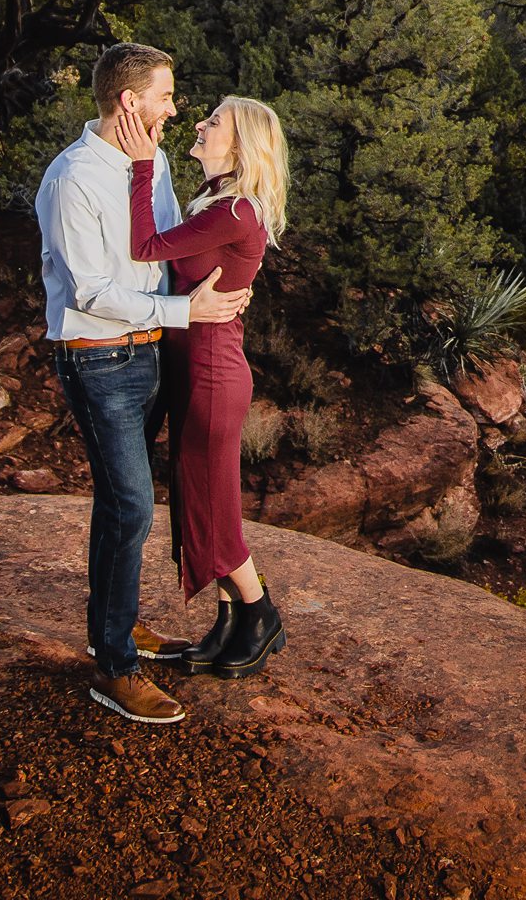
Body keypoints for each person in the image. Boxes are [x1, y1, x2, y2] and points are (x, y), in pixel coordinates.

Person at [37, 42, 252, 726]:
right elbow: (93, 290)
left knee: (124, 502)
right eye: (166, 95)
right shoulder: (71, 180)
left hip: (150, 353)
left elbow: (157, 245)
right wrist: (187, 310)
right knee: (130, 502)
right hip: (98, 358)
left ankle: (118, 624)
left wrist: (223, 276)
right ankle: (115, 668)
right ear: (131, 102)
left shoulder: (150, 162)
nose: (174, 107)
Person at [131, 94, 290, 678]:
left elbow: (144, 248)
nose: (199, 123)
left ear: (240, 145)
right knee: (201, 498)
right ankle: (229, 625)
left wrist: (144, 163)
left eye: (214, 120)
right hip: (196, 369)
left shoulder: (235, 212)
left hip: (213, 374)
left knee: (212, 505)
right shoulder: (215, 202)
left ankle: (260, 612)